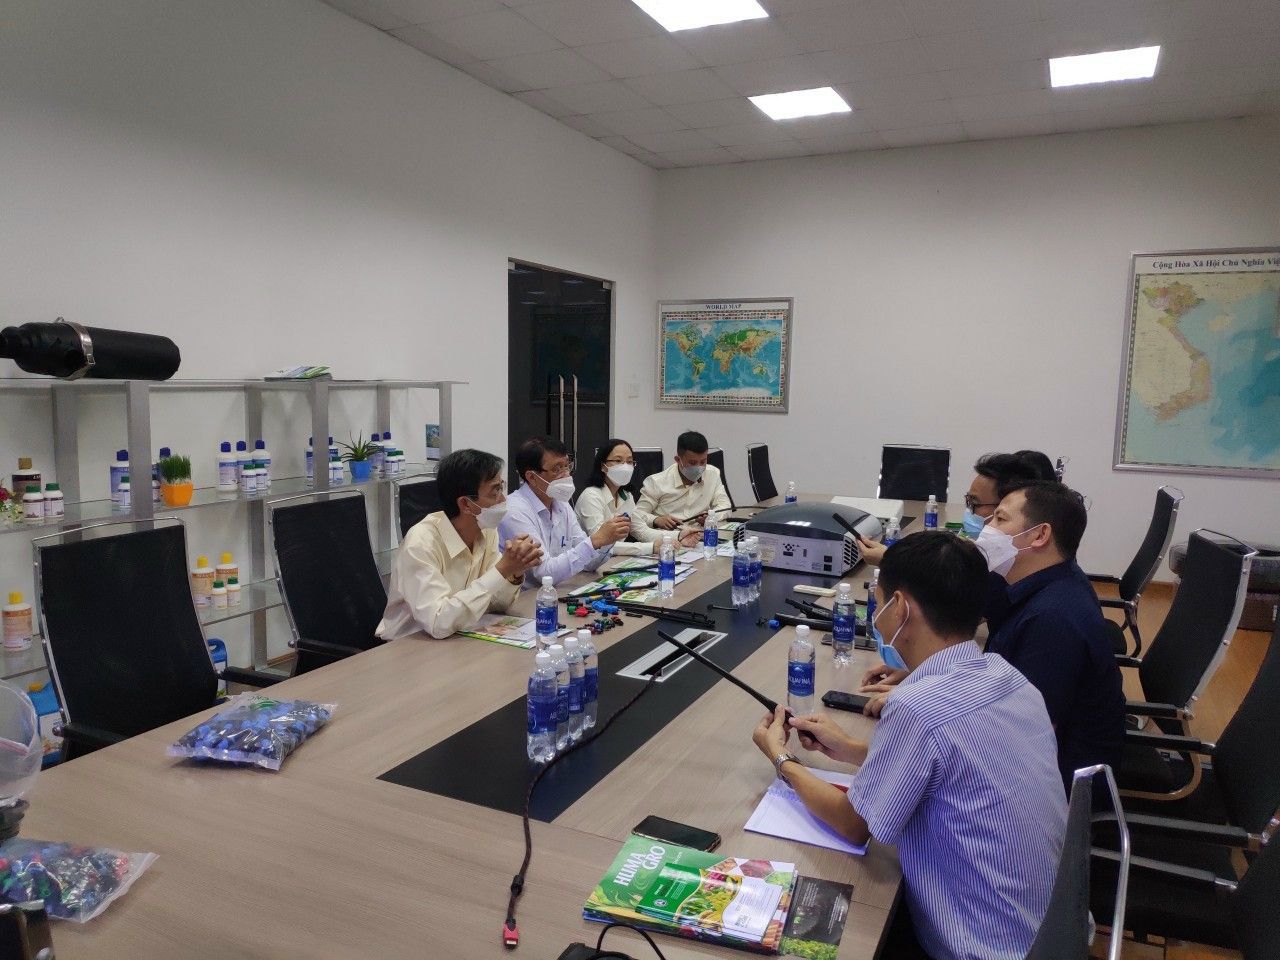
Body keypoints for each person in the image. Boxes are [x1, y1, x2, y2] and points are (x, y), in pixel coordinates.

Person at [752, 533, 1066, 960]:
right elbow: (954, 764)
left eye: (877, 600)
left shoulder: (917, 707)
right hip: (1052, 932)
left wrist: (781, 758)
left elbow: (854, 824)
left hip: (981, 947)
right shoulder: (1010, 677)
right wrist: (853, 749)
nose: (875, 612)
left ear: (899, 607)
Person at [971, 480, 1126, 790]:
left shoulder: (1052, 620)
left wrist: (924, 699)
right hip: (1033, 761)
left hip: (1052, 785)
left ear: (1040, 535)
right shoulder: (1053, 582)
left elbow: (1022, 733)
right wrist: (932, 673)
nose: (986, 528)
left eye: (1000, 519)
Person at [376, 449, 543, 641]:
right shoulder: (420, 543)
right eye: (495, 491)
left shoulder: (486, 530)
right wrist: (501, 569)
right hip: (408, 645)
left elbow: (496, 604)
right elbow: (438, 623)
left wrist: (514, 572)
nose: (503, 499)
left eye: (501, 488)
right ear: (465, 504)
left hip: (457, 638)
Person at [499, 436, 629, 586]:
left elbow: (588, 564)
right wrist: (595, 541)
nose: (566, 475)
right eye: (557, 469)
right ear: (532, 477)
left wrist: (607, 540)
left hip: (557, 590)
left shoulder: (561, 503)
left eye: (567, 466)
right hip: (525, 596)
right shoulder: (515, 510)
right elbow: (544, 573)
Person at [575, 440, 700, 556]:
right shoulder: (591, 496)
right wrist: (651, 548)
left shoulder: (626, 496)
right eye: (618, 461)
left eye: (629, 462)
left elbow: (642, 531)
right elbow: (601, 544)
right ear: (603, 466)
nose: (625, 466)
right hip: (587, 564)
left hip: (612, 560)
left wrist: (679, 536)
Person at [630, 430, 731, 544]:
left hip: (700, 539)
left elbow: (725, 506)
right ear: (678, 460)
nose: (699, 467)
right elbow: (636, 515)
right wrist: (656, 520)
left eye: (703, 462)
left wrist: (711, 517)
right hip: (668, 541)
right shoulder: (656, 482)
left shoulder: (713, 474)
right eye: (692, 463)